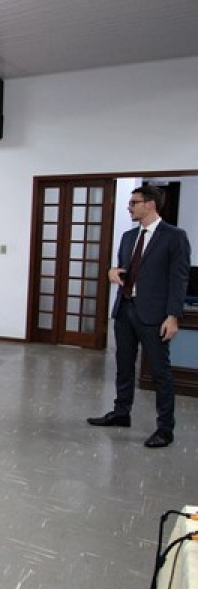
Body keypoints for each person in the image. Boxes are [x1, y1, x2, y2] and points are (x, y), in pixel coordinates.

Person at [88, 185, 191, 448]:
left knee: (160, 372)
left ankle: (165, 428)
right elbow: (122, 267)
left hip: (155, 315)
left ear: (150, 204)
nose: (129, 207)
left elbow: (179, 279)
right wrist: (112, 271)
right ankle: (121, 412)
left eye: (134, 202)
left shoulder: (174, 237)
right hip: (125, 310)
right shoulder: (127, 236)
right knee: (124, 365)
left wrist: (173, 316)